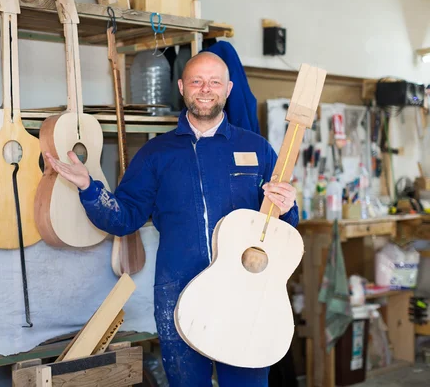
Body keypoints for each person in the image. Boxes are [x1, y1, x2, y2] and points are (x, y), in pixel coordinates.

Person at [44, 52, 299, 387]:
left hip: (247, 293)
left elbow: (282, 228)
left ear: (228, 88)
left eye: (214, 82)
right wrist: (88, 187)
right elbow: (124, 218)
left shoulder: (258, 148)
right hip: (179, 293)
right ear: (181, 87)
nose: (205, 89)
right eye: (197, 81)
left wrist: (290, 205)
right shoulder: (156, 154)